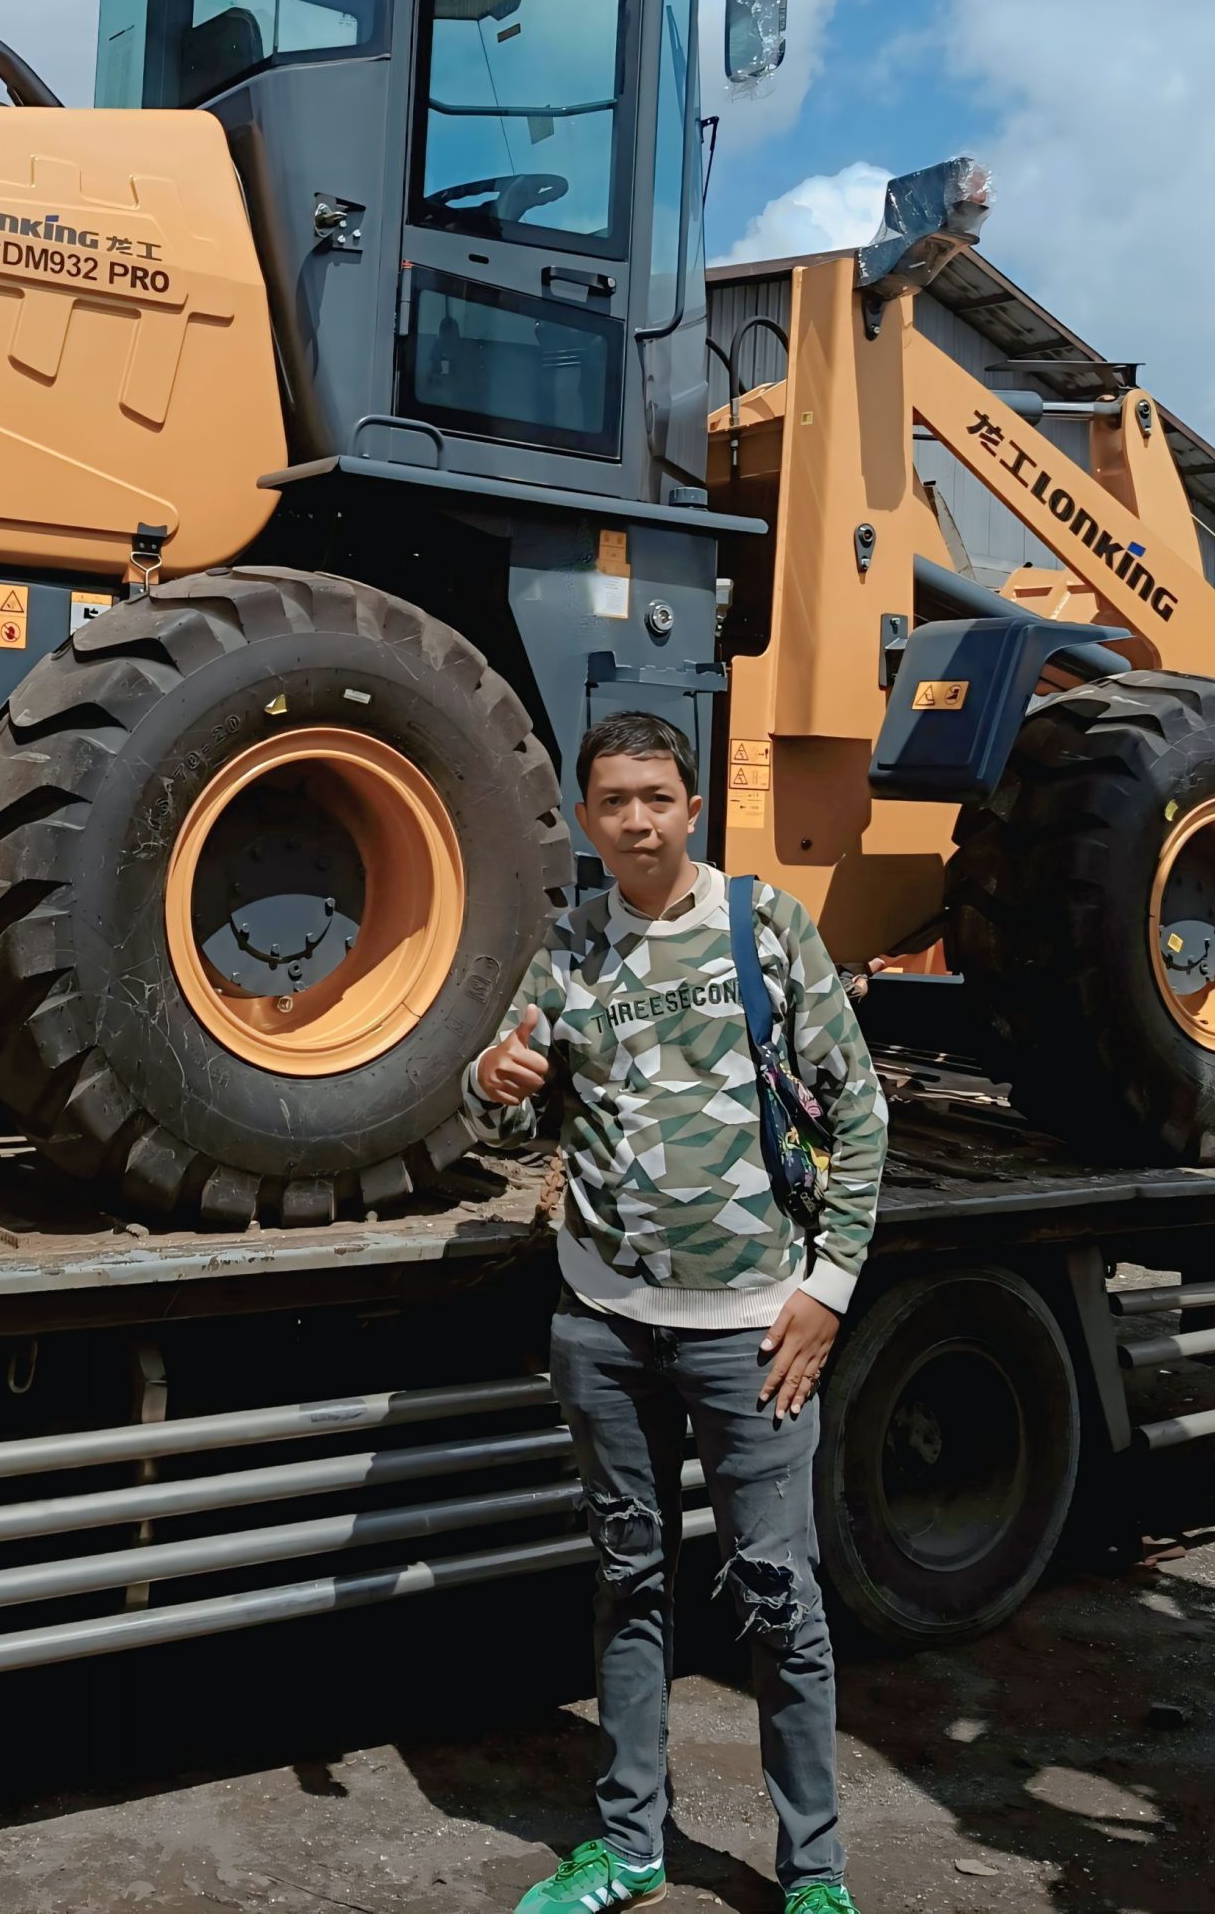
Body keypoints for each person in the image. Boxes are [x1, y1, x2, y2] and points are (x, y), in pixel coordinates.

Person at [466, 710, 887, 1914]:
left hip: (751, 1332)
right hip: (603, 1326)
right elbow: (504, 1114)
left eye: (657, 797)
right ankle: (629, 1847)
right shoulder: (569, 947)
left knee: (778, 1599)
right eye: (614, 801)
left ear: (692, 808)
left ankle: (813, 1873)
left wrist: (827, 1290)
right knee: (628, 1581)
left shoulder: (763, 927)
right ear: (585, 818)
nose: (637, 820)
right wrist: (489, 1080)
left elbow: (859, 1113)